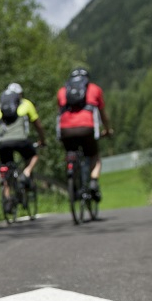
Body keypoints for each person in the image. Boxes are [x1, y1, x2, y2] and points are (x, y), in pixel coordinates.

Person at [56, 67, 113, 201]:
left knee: (70, 154)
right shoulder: (94, 89)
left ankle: (72, 177)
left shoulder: (62, 92)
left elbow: (59, 113)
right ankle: (93, 181)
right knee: (94, 156)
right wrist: (107, 129)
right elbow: (102, 114)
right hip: (87, 128)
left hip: (66, 130)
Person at [0, 83, 46, 209]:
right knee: (33, 156)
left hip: (2, 143)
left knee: (5, 169)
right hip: (20, 140)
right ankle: (26, 173)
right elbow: (37, 124)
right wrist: (42, 140)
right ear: (20, 94)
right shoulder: (26, 104)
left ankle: (7, 200)